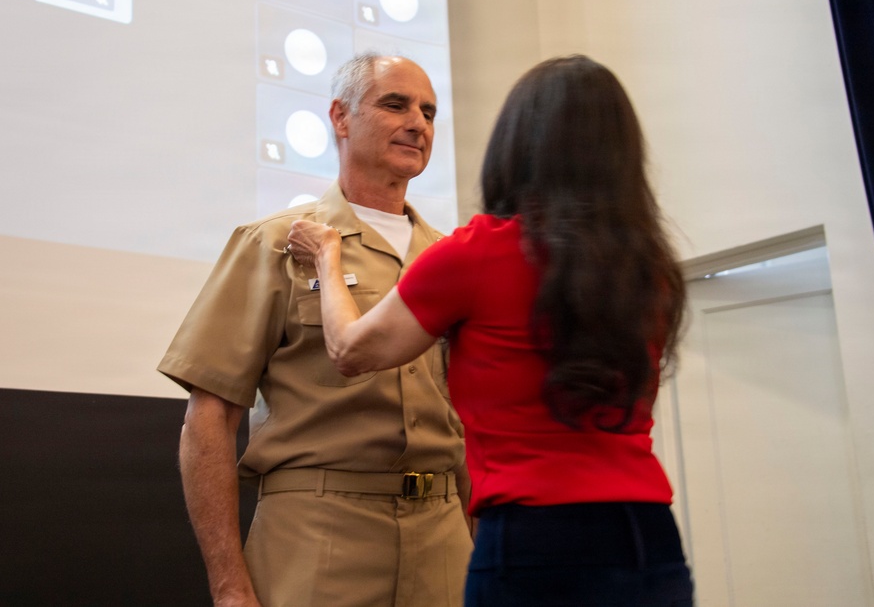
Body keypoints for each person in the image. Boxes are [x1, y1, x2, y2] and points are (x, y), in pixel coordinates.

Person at [287, 54, 695, 607]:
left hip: (534, 538)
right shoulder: (648, 270)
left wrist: (327, 257)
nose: (418, 123)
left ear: (517, 143)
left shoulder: (476, 254)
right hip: (648, 534)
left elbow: (350, 350)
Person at [158, 52, 473, 607]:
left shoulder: (451, 260)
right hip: (319, 535)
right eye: (395, 104)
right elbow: (209, 418)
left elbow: (472, 419)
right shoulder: (274, 242)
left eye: (428, 112)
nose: (418, 124)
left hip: (444, 539)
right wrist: (229, 586)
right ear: (340, 117)